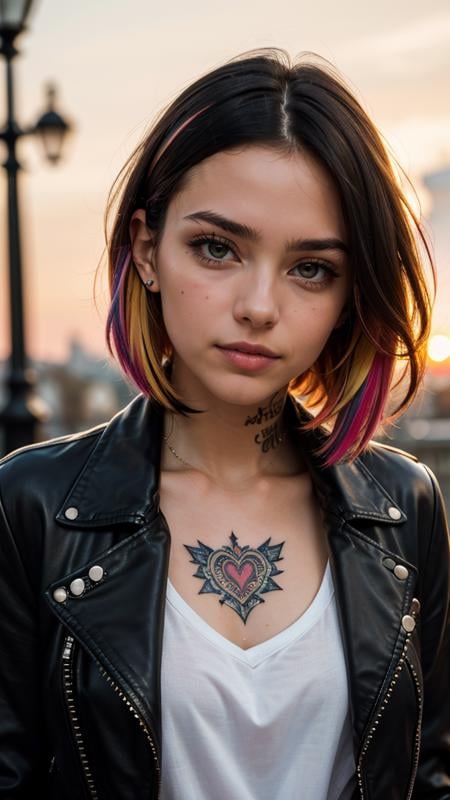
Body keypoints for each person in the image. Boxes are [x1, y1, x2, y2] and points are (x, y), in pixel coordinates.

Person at [0, 47, 448, 800]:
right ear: (145, 249)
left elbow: (427, 772)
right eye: (217, 248)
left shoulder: (405, 508)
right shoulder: (32, 507)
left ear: (349, 294)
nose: (259, 305)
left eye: (312, 268)